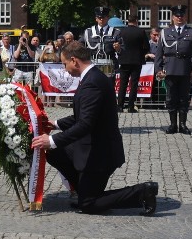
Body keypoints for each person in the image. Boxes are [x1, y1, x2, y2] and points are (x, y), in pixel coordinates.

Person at [30, 42, 159, 216]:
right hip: (90, 146)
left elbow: (85, 124)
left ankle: (142, 192)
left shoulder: (92, 83)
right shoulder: (91, 77)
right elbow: (81, 117)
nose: (64, 68)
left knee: (89, 204)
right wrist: (54, 124)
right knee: (55, 153)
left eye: (64, 63)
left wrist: (51, 140)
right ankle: (84, 190)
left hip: (100, 154)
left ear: (74, 61)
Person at [154, 5, 192, 135]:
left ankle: (183, 125)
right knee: (170, 98)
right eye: (177, 15)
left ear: (185, 17)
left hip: (185, 69)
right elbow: (159, 53)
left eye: (181, 15)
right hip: (170, 69)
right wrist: (158, 69)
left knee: (184, 98)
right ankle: (173, 124)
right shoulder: (165, 32)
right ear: (173, 17)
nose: (179, 18)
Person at [116, 17, 150, 112]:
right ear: (136, 21)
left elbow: (118, 45)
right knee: (134, 84)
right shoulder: (141, 32)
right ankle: (131, 107)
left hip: (124, 60)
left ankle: (120, 106)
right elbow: (147, 46)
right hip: (137, 61)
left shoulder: (122, 32)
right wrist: (140, 53)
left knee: (123, 84)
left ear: (128, 21)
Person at [80, 6, 122, 77]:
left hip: (109, 67)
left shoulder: (116, 32)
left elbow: (123, 49)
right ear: (96, 19)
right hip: (93, 65)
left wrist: (118, 49)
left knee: (108, 87)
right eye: (99, 18)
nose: (101, 19)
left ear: (108, 18)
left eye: (104, 17)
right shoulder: (88, 32)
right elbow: (79, 46)